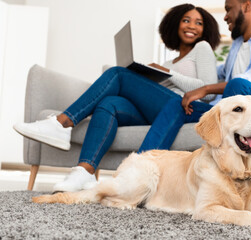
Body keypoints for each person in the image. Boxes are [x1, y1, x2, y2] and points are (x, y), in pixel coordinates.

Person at [13, 3, 220, 192]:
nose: (191, 26)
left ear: (205, 29)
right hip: (157, 110)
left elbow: (208, 92)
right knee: (109, 103)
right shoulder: (170, 60)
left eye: (198, 23)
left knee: (118, 73)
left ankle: (63, 122)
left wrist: (169, 73)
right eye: (186, 20)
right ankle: (84, 171)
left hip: (184, 109)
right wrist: (151, 74)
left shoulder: (202, 49)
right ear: (175, 23)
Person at [139, 0, 251, 152]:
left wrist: (206, 89)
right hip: (234, 109)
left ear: (246, 6)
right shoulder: (237, 45)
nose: (225, 16)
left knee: (237, 85)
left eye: (229, 9)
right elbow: (219, 73)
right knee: (177, 104)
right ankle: (143, 164)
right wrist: (169, 72)